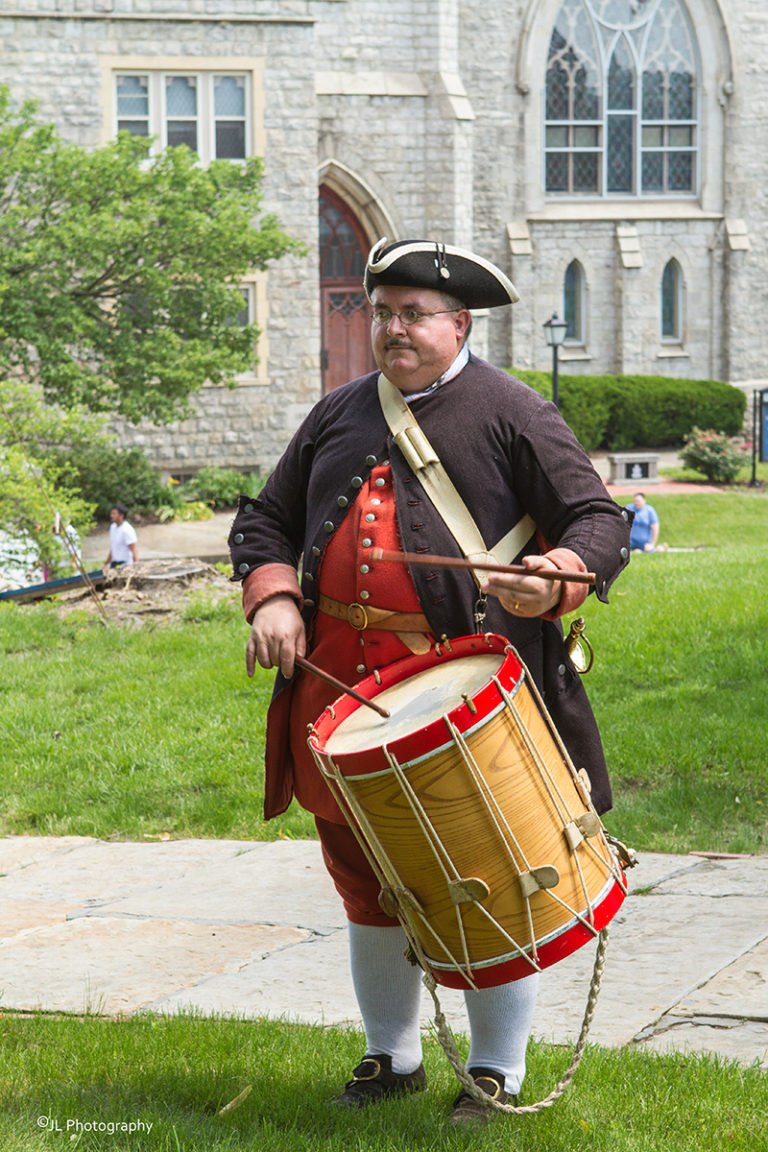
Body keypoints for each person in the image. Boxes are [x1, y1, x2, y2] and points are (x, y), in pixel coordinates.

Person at [229, 238, 631, 1126]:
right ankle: (392, 1056)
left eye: (415, 315)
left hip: (465, 701)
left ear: (461, 325)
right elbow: (265, 519)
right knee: (364, 879)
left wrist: (559, 569)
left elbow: (600, 519)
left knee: (489, 877)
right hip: (341, 698)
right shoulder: (337, 413)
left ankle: (495, 1071)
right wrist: (274, 600)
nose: (395, 330)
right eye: (384, 313)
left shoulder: (514, 411)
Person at [104, 503, 138, 568]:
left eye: (114, 514)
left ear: (121, 515)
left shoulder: (127, 529)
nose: (111, 516)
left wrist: (136, 566)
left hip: (125, 565)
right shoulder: (112, 527)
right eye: (111, 513)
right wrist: (106, 563)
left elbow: (134, 549)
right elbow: (113, 548)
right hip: (114, 563)